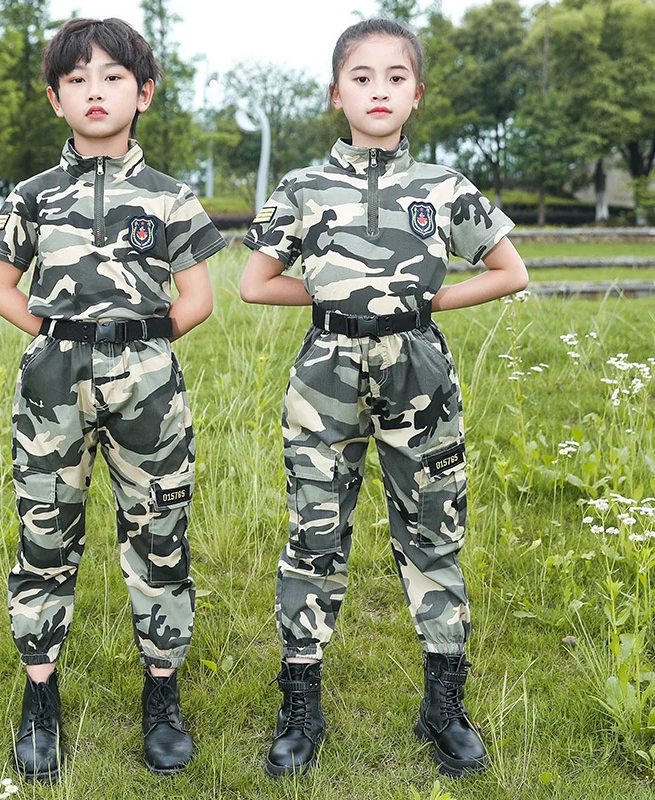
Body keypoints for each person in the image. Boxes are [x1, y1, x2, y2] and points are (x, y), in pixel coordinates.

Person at [240, 18, 528, 779]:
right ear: (337, 94)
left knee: (433, 532)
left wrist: (425, 302)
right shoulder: (304, 188)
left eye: (394, 78)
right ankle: (300, 703)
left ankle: (443, 705)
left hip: (419, 370)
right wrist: (342, 296)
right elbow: (254, 283)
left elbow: (510, 270)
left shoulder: (443, 188)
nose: (378, 91)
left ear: (417, 94)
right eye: (361, 78)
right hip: (326, 373)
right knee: (315, 532)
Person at [0, 17, 226, 782]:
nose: (96, 91)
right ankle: (40, 697)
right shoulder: (31, 196)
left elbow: (199, 298)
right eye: (77, 79)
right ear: (55, 99)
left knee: (158, 533)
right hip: (51, 384)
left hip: (146, 383)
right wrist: (60, 337)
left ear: (143, 92)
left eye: (113, 77)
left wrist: (139, 346)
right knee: (45, 535)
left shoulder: (170, 197)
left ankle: (161, 694)